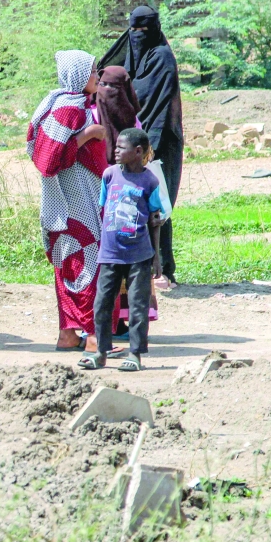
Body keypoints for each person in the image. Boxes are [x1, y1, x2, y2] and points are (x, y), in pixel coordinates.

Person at [27, 50, 108, 353]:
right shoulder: (68, 109)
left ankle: (68, 334)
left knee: (69, 263)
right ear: (78, 75)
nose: (97, 76)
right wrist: (87, 135)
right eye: (92, 72)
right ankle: (92, 335)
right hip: (74, 201)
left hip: (70, 203)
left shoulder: (70, 104)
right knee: (88, 261)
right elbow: (47, 159)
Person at [99, 5, 183, 285]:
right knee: (129, 203)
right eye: (132, 30)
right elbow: (108, 78)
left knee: (159, 204)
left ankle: (163, 268)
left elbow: (159, 105)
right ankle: (136, 268)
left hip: (160, 143)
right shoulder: (128, 57)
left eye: (142, 31)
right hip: (131, 142)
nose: (137, 36)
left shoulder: (162, 58)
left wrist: (147, 147)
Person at [79, 128, 164, 372]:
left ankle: (135, 354)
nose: (115, 151)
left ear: (138, 152)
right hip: (110, 253)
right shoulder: (109, 175)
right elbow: (104, 210)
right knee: (103, 303)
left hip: (139, 255)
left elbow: (155, 220)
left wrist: (156, 257)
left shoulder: (150, 181)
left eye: (121, 148)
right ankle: (101, 353)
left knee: (138, 306)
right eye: (115, 146)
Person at [94, 66, 160, 334]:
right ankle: (109, 325)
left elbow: (147, 159)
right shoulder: (93, 116)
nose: (107, 93)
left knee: (135, 271)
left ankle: (129, 327)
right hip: (108, 199)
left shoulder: (135, 125)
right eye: (103, 85)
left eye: (114, 88)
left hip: (135, 203)